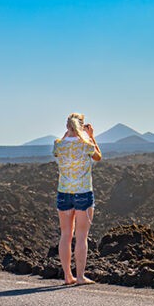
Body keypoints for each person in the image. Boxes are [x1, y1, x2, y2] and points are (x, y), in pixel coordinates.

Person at [53, 112, 102, 285]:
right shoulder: (86, 144)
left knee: (65, 235)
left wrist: (67, 134)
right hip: (83, 193)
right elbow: (98, 157)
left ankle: (68, 276)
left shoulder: (58, 145)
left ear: (67, 126)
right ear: (81, 126)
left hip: (64, 193)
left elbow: (57, 151)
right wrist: (91, 136)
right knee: (81, 237)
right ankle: (80, 277)